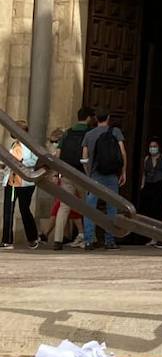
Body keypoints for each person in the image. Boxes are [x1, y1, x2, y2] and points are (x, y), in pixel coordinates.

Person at [51, 107, 95, 252]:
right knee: (87, 206)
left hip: (67, 173)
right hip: (82, 174)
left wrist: (58, 173)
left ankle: (57, 240)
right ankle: (89, 238)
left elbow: (58, 154)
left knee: (64, 206)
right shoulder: (90, 133)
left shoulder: (67, 133)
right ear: (88, 118)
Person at [81, 112, 126, 252]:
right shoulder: (115, 131)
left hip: (95, 175)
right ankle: (110, 240)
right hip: (111, 174)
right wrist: (123, 171)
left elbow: (84, 157)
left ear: (95, 119)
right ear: (108, 118)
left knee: (90, 208)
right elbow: (123, 152)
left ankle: (88, 240)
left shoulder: (89, 134)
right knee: (112, 207)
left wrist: (88, 173)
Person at [1, 126, 40, 250]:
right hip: (12, 181)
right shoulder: (14, 144)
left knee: (25, 210)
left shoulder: (31, 145)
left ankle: (33, 238)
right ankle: (7, 240)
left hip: (24, 183)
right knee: (8, 211)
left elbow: (35, 161)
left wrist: (21, 162)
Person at [138, 138, 162, 238]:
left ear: (158, 147)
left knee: (158, 211)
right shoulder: (146, 159)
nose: (152, 148)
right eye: (150, 146)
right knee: (147, 211)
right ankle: (146, 236)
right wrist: (142, 185)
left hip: (160, 185)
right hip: (149, 185)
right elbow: (144, 174)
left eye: (154, 146)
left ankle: (157, 237)